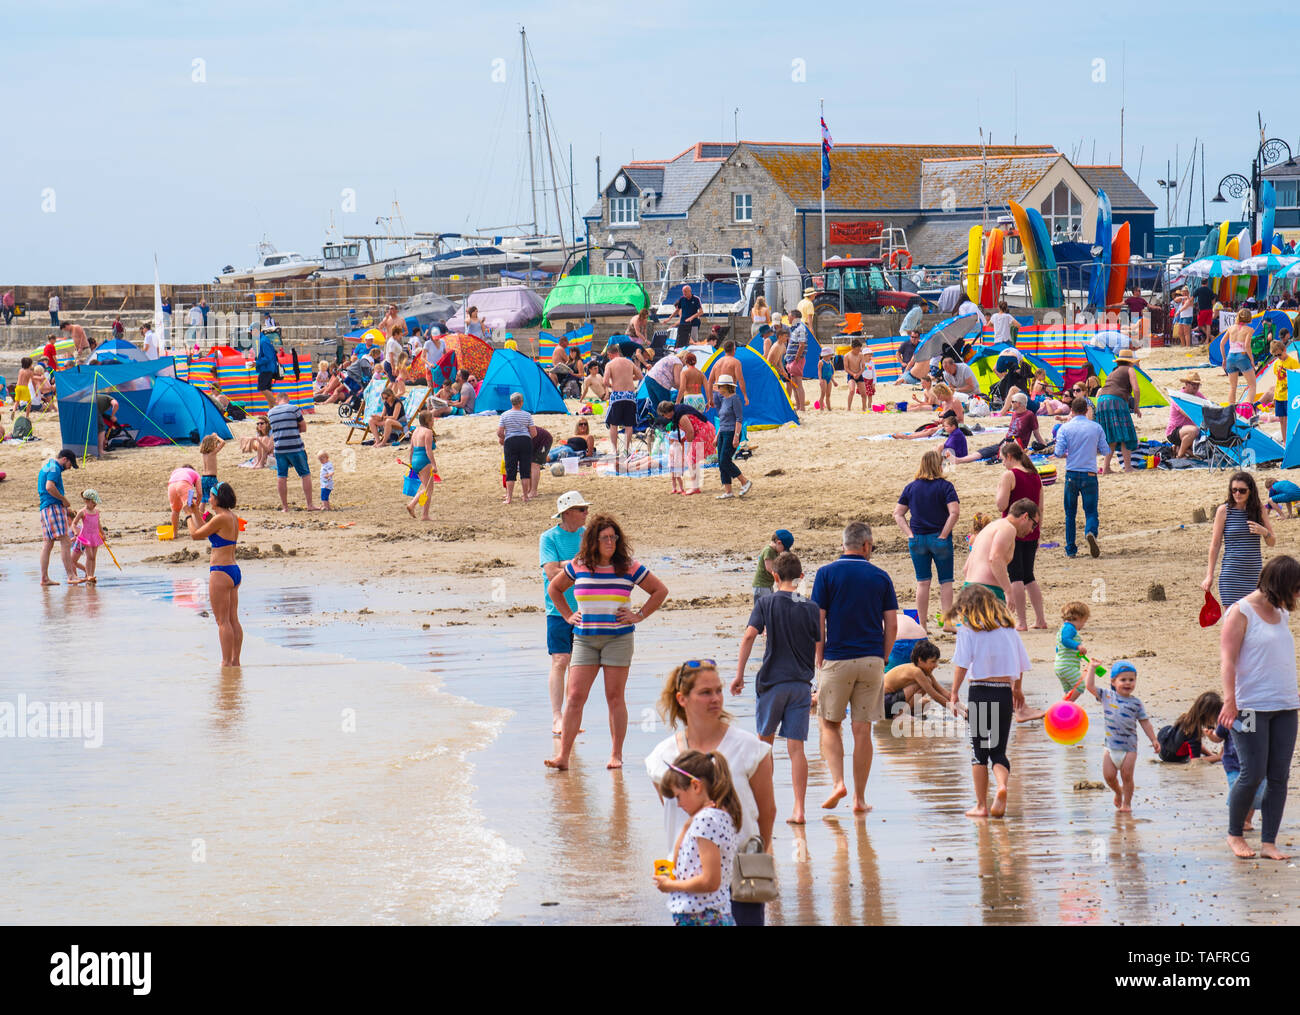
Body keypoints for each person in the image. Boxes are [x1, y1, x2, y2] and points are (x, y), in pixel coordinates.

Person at [646, 660, 775, 926]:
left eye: (718, 690)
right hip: (689, 887)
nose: (715, 698)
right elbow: (676, 815)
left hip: (740, 878)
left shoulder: (751, 749)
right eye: (705, 693)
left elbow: (767, 813)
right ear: (682, 699)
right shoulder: (661, 758)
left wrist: (757, 859)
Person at [546, 514, 668, 771]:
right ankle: (563, 756)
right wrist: (568, 615)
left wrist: (639, 615)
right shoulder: (579, 564)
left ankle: (616, 755)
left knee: (614, 697)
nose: (610, 542)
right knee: (575, 696)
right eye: (605, 538)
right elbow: (554, 589)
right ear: (593, 540)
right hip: (584, 640)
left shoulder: (629, 566)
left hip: (618, 639)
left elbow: (660, 591)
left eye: (614, 537)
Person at [812, 521, 898, 813]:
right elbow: (892, 624)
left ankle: (838, 782)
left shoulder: (825, 574)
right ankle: (859, 800)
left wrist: (819, 657)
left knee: (828, 723)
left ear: (843, 544)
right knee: (863, 731)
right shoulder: (881, 577)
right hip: (872, 660)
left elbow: (818, 620)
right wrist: (883, 657)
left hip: (836, 658)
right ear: (865, 545)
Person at [1218, 554, 1300, 858]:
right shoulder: (1240, 612)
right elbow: (1227, 660)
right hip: (1249, 706)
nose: (1297, 595)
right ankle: (1235, 834)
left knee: (1279, 775)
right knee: (1252, 774)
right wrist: (1230, 700)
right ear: (1279, 584)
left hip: (1285, 705)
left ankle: (1269, 843)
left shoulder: (1282, 613)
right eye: (1295, 588)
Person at [732, 550, 820, 826]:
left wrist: (739, 675)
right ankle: (799, 810)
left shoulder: (767, 602)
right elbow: (821, 646)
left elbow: (748, 637)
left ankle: (762, 806)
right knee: (797, 749)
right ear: (801, 576)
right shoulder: (810, 607)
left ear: (774, 575)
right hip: (801, 685)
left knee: (763, 747)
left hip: (772, 683)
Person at [943, 584, 1027, 818]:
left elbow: (961, 663)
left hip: (980, 692)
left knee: (979, 752)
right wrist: (1017, 690)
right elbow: (1020, 665)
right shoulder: (1010, 629)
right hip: (1003, 692)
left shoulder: (968, 630)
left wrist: (954, 693)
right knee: (998, 751)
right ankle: (1002, 786)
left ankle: (981, 805)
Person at [652, 750, 742, 926]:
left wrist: (670, 886)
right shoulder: (711, 818)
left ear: (696, 786)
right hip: (708, 915)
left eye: (678, 796)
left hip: (703, 917)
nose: (678, 804)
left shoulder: (706, 820)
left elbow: (710, 881)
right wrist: (687, 825)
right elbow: (675, 859)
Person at [539, 491, 590, 737]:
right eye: (582, 510)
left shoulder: (588, 535)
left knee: (578, 665)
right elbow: (551, 573)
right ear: (567, 513)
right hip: (557, 610)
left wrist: (564, 563)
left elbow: (594, 563)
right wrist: (577, 562)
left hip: (586, 608)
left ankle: (570, 716)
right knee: (560, 661)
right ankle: (556, 717)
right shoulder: (548, 538)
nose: (586, 513)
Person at [893, 449, 960, 630]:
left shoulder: (911, 487)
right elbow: (954, 512)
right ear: (938, 466)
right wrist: (944, 534)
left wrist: (909, 533)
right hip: (939, 538)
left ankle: (922, 624)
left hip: (918, 539)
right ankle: (947, 622)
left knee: (923, 582)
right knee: (945, 581)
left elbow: (898, 514)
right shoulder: (946, 487)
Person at [1086, 660, 1159, 813]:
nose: (1127, 683)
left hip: (1129, 748)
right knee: (1109, 776)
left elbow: (1145, 722)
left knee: (1127, 776)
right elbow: (1090, 687)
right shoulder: (1107, 696)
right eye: (1123, 679)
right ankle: (1118, 792)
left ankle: (1127, 804)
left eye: (1131, 680)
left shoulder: (1136, 703)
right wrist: (1092, 668)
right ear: (1113, 681)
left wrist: (1153, 739)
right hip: (1110, 747)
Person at [185, 481, 244, 667]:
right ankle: (235, 662)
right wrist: (195, 512)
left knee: (222, 621)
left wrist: (187, 517)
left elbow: (195, 534)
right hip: (233, 571)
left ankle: (226, 663)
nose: (208, 499)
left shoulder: (221, 518)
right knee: (233, 619)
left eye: (210, 496)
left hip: (220, 572)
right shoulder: (230, 517)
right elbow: (206, 530)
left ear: (217, 498)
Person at [1202, 471, 1275, 610]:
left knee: (1254, 622)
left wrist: (1264, 532)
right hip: (1231, 574)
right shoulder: (1224, 511)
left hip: (1254, 575)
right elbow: (1215, 544)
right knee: (1232, 623)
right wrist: (1209, 575)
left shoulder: (1259, 509)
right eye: (1234, 490)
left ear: (1250, 491)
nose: (1237, 494)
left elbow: (1272, 542)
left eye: (1242, 490)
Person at [996, 443, 1047, 630]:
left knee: (1016, 576)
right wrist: (1038, 530)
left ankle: (1022, 621)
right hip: (1032, 529)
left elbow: (1001, 505)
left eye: (1002, 459)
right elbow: (1040, 508)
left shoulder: (1010, 475)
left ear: (1009, 456)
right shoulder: (1035, 476)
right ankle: (1040, 619)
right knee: (1028, 576)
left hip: (1013, 530)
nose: (1002, 463)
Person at [1054, 396, 1109, 558]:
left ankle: (1071, 548)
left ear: (1071, 410)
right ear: (1086, 410)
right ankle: (1090, 531)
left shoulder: (1065, 428)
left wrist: (1067, 454)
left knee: (1070, 513)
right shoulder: (1096, 427)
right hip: (1090, 472)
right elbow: (1105, 450)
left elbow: (1058, 452)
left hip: (1072, 472)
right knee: (1091, 511)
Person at [963, 499, 1039, 610]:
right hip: (988, 593)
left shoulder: (990, 528)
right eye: (1033, 525)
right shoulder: (1008, 528)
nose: (1032, 531)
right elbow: (995, 558)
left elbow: (966, 568)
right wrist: (1008, 592)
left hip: (968, 590)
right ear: (1025, 516)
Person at [1095, 350, 1142, 474]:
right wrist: (1136, 407)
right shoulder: (1129, 370)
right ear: (1130, 362)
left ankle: (1106, 468)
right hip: (1115, 401)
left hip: (1102, 401)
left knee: (1111, 436)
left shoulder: (1114, 371)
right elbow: (1136, 390)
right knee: (1125, 434)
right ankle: (1128, 467)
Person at [268, 391, 315, 512]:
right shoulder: (294, 408)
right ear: (287, 399)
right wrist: (293, 431)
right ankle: (310, 505)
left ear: (277, 401)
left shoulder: (270, 412)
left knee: (282, 476)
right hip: (295, 446)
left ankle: (285, 507)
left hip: (279, 448)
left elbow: (274, 431)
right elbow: (303, 428)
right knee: (305, 474)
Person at [656, 400, 715, 496]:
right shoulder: (678, 410)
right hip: (705, 429)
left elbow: (690, 431)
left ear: (668, 412)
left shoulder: (681, 416)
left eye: (663, 415)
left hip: (704, 431)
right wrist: (684, 439)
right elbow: (690, 429)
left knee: (691, 458)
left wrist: (689, 446)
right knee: (692, 458)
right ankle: (695, 486)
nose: (664, 417)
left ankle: (695, 487)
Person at [38, 449, 79, 586]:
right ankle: (71, 576)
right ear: (65, 459)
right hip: (53, 507)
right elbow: (49, 487)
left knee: (48, 543)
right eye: (70, 464)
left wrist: (66, 507)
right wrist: (63, 500)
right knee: (65, 541)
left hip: (45, 507)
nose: (69, 468)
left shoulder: (48, 466)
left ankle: (44, 578)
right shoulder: (55, 468)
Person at [601, 343, 642, 464]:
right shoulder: (629, 362)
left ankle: (614, 450)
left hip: (617, 396)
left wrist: (613, 384)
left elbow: (604, 381)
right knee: (629, 425)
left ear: (610, 354)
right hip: (630, 396)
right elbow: (640, 376)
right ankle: (627, 449)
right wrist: (629, 378)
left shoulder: (610, 364)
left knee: (613, 424)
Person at [713, 375, 751, 499]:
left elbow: (739, 419)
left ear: (726, 387)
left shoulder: (735, 399)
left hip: (731, 432)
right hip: (723, 432)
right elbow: (722, 420)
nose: (718, 388)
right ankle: (728, 491)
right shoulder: (724, 400)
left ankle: (744, 481)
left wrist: (736, 436)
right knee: (721, 461)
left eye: (720, 386)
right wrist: (716, 436)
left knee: (725, 460)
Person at [1159, 691, 1223, 763]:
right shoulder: (1193, 732)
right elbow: (1195, 761)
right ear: (1206, 714)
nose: (1217, 717)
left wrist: (1210, 755)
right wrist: (1218, 757)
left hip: (1168, 737)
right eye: (1216, 715)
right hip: (1169, 756)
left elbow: (1195, 745)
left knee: (1191, 742)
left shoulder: (1188, 719)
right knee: (1192, 741)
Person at [496, 392, 536, 506]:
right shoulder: (527, 415)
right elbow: (534, 432)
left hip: (511, 441)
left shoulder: (504, 415)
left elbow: (499, 432)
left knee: (510, 469)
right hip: (525, 440)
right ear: (521, 402)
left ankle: (509, 497)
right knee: (525, 469)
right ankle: (525, 496)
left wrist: (506, 437)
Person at [404, 410, 439, 519]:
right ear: (428, 420)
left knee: (425, 487)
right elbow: (429, 451)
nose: (433, 420)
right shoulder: (428, 432)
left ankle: (418, 509)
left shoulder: (415, 431)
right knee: (428, 489)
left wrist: (411, 464)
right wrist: (434, 465)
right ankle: (420, 511)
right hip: (424, 460)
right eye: (432, 418)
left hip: (415, 460)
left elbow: (411, 449)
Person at [1053, 601, 1090, 701]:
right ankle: (1067, 707)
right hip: (1067, 666)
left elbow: (1059, 648)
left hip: (1060, 666)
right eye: (1084, 621)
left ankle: (1060, 711)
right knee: (1080, 686)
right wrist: (1078, 646)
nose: (1083, 625)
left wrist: (1075, 653)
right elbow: (1065, 640)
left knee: (1069, 692)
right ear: (1078, 618)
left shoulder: (1063, 629)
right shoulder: (1070, 628)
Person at [1221, 308, 1257, 407]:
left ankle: (1230, 409)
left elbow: (1221, 343)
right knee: (1252, 385)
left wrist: (1224, 359)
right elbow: (1247, 346)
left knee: (1233, 387)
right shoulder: (1249, 330)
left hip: (1230, 356)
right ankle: (1248, 409)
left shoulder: (1231, 328)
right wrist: (1252, 360)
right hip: (1242, 356)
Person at [68, 489, 105, 584]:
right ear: (87, 501)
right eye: (93, 502)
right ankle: (88, 575)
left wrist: (102, 533)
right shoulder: (82, 512)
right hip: (85, 536)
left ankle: (91, 575)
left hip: (95, 535)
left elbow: (98, 523)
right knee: (90, 556)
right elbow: (74, 524)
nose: (95, 504)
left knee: (94, 557)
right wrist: (76, 533)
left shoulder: (96, 511)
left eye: (96, 502)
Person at [750, 528, 794, 603]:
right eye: (784, 549)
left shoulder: (775, 551)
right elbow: (769, 568)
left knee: (769, 604)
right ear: (779, 543)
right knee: (764, 606)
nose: (783, 551)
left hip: (767, 585)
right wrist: (780, 577)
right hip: (761, 585)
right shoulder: (769, 550)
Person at [1269, 339, 1299, 441]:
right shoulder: (1276, 364)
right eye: (1275, 356)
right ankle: (1285, 441)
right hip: (1279, 395)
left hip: (1289, 395)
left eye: (1279, 354)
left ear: (1284, 350)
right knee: (1282, 420)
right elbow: (1278, 381)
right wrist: (1274, 397)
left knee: (1291, 420)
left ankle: (1291, 440)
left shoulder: (1293, 362)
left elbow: (1296, 379)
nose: (1278, 357)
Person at [1167, 374, 1203, 458]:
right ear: (1186, 384)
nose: (1196, 387)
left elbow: (1207, 405)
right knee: (1194, 431)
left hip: (1187, 430)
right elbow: (1186, 413)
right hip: (1174, 431)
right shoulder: (1179, 396)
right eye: (1193, 384)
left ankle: (1179, 448)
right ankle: (1180, 455)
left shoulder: (1198, 394)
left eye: (1198, 385)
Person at [705, 338, 748, 405]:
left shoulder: (717, 362)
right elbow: (741, 380)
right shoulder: (735, 362)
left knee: (721, 414)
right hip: (728, 393)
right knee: (729, 414)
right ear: (734, 349)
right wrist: (745, 396)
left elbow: (709, 382)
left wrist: (710, 398)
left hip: (716, 393)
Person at [784, 310, 809, 413]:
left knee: (798, 384)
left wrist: (796, 359)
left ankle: (802, 407)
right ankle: (799, 406)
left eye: (789, 317)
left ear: (794, 317)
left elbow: (802, 345)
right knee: (794, 385)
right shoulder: (795, 329)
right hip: (792, 360)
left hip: (795, 360)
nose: (788, 319)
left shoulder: (800, 328)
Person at [167, 464, 200, 538]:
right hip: (184, 484)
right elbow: (200, 493)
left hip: (171, 486)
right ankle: (196, 530)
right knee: (190, 508)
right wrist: (197, 505)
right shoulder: (195, 473)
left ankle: (174, 534)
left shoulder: (176, 471)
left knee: (175, 511)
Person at [255, 326, 280, 411]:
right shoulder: (262, 340)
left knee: (262, 388)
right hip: (267, 368)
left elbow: (268, 357)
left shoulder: (263, 341)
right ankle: (271, 411)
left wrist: (256, 363)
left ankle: (277, 408)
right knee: (267, 389)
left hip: (267, 368)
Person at [199, 434, 225, 507]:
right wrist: (216, 436)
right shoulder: (212, 453)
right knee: (216, 497)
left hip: (203, 478)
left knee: (203, 500)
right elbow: (223, 442)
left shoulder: (204, 454)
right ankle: (218, 514)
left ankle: (200, 517)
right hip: (211, 477)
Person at [528, 426, 553, 499]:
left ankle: (534, 491)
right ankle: (529, 490)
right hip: (534, 440)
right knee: (529, 464)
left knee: (535, 464)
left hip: (544, 439)